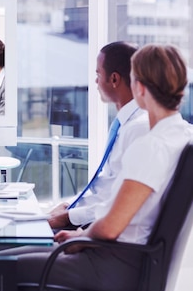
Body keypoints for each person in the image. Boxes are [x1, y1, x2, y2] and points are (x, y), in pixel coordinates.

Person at [0, 43, 192, 291]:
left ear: (139, 86)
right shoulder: (182, 135)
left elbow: (111, 226)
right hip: (131, 259)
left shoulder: (151, 145)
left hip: (113, 263)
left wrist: (79, 236)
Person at [48, 41, 149, 230]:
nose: (95, 81)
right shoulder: (124, 123)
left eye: (98, 74)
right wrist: (70, 206)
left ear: (114, 79)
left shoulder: (139, 129)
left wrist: (69, 217)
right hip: (86, 221)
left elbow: (120, 202)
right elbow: (105, 187)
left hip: (95, 230)